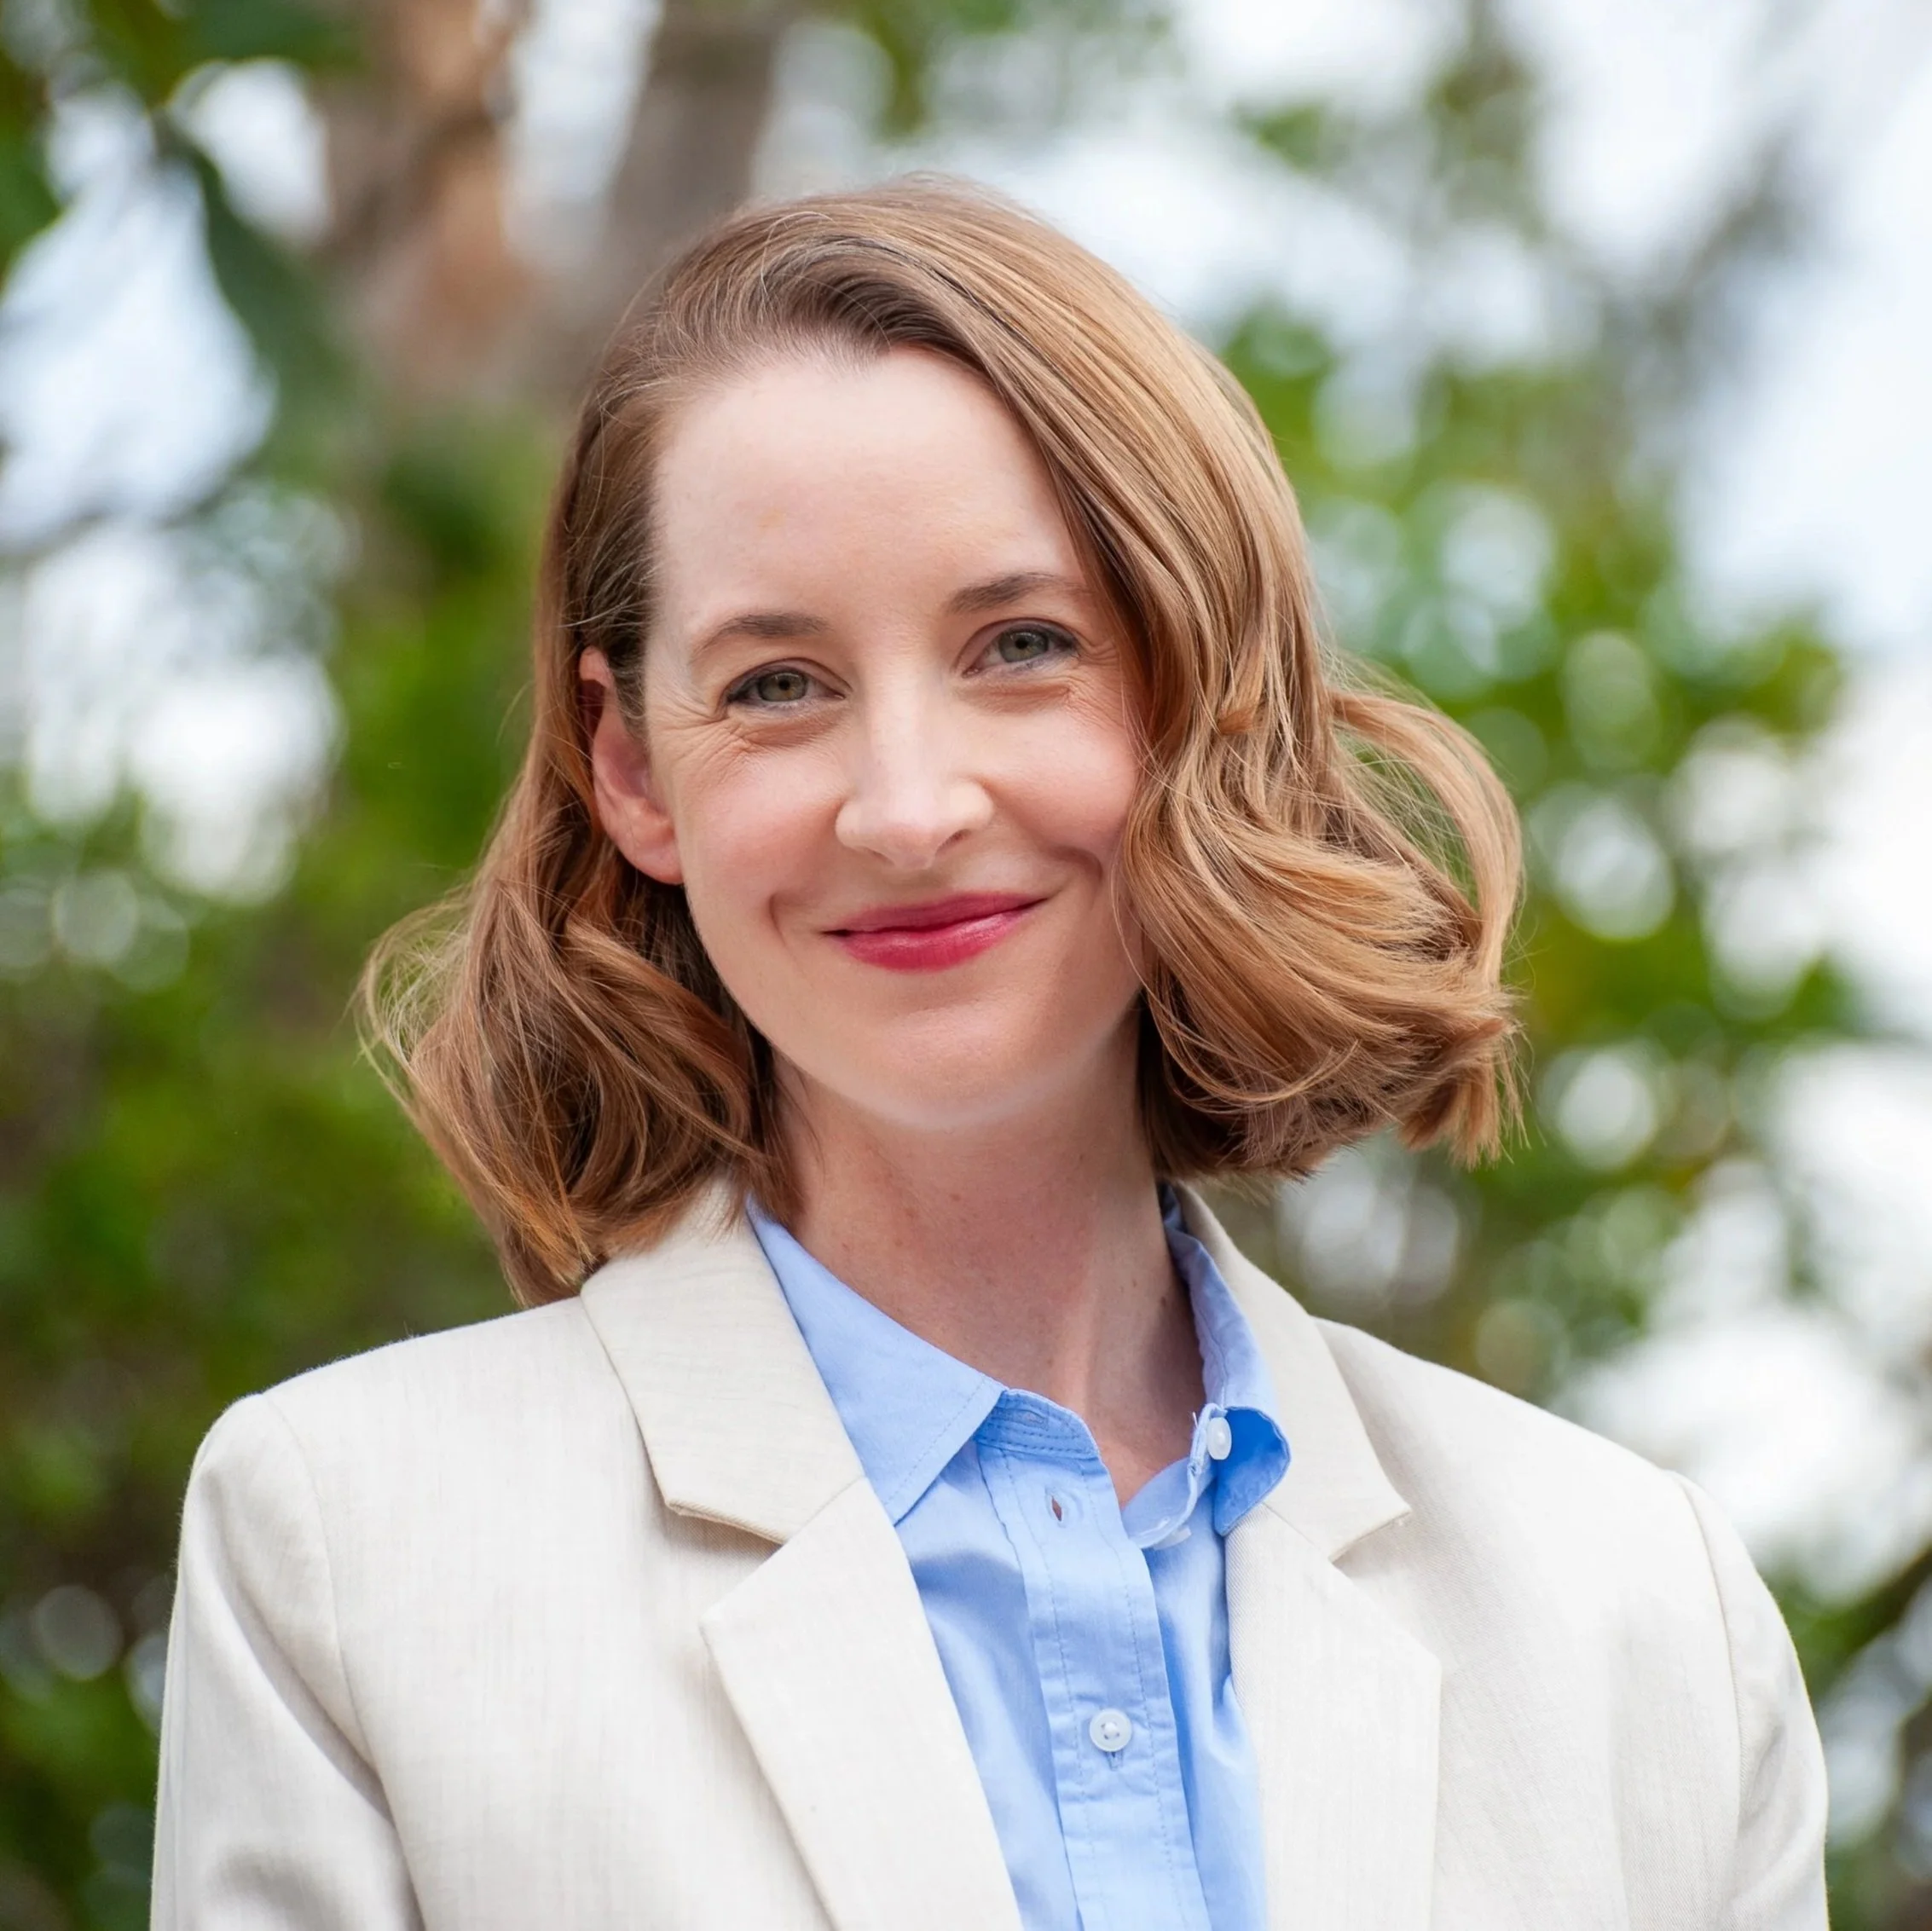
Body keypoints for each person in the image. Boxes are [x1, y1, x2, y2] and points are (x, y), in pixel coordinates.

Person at [151, 179, 1827, 1930]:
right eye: (776, 684)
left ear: (1195, 686)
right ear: (630, 768)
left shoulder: (1642, 1614)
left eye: (1019, 646)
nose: (906, 806)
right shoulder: (344, 1553)